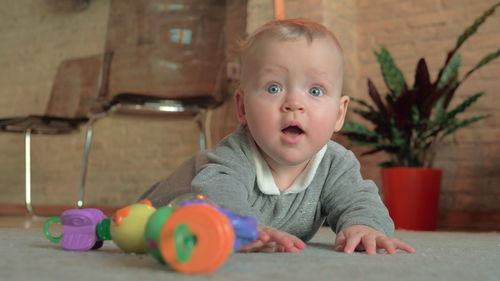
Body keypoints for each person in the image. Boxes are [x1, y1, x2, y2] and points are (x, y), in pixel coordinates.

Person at [139, 18, 415, 255]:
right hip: (153, 212)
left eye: (316, 91)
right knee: (135, 223)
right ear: (242, 107)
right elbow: (217, 194)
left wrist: (365, 226)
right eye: (273, 88)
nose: (294, 103)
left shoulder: (335, 164)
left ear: (339, 114)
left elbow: (360, 200)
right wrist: (244, 227)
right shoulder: (234, 156)